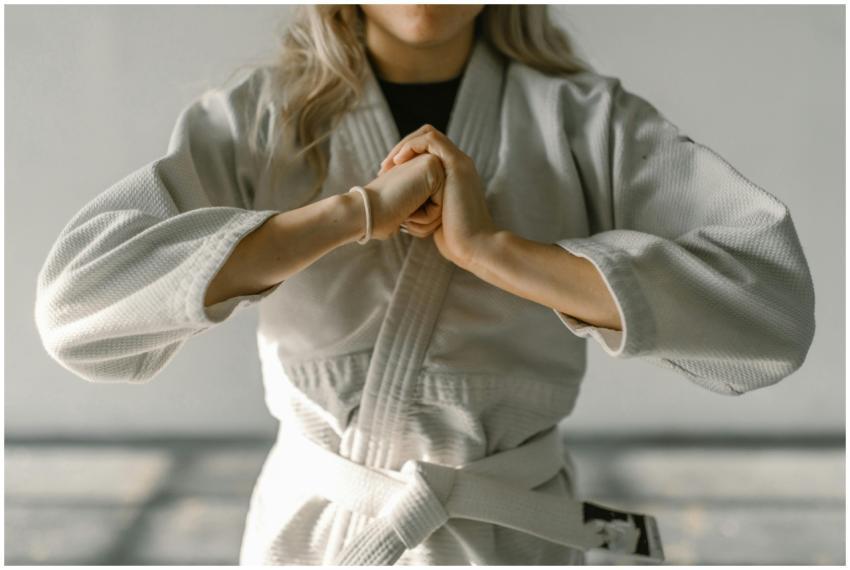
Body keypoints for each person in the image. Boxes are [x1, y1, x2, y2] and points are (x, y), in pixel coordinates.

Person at [34, 4, 816, 566]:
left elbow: (768, 309)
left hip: (510, 541)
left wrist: (495, 250)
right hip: (318, 536)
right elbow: (79, 305)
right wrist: (349, 214)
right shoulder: (259, 120)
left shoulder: (585, 122)